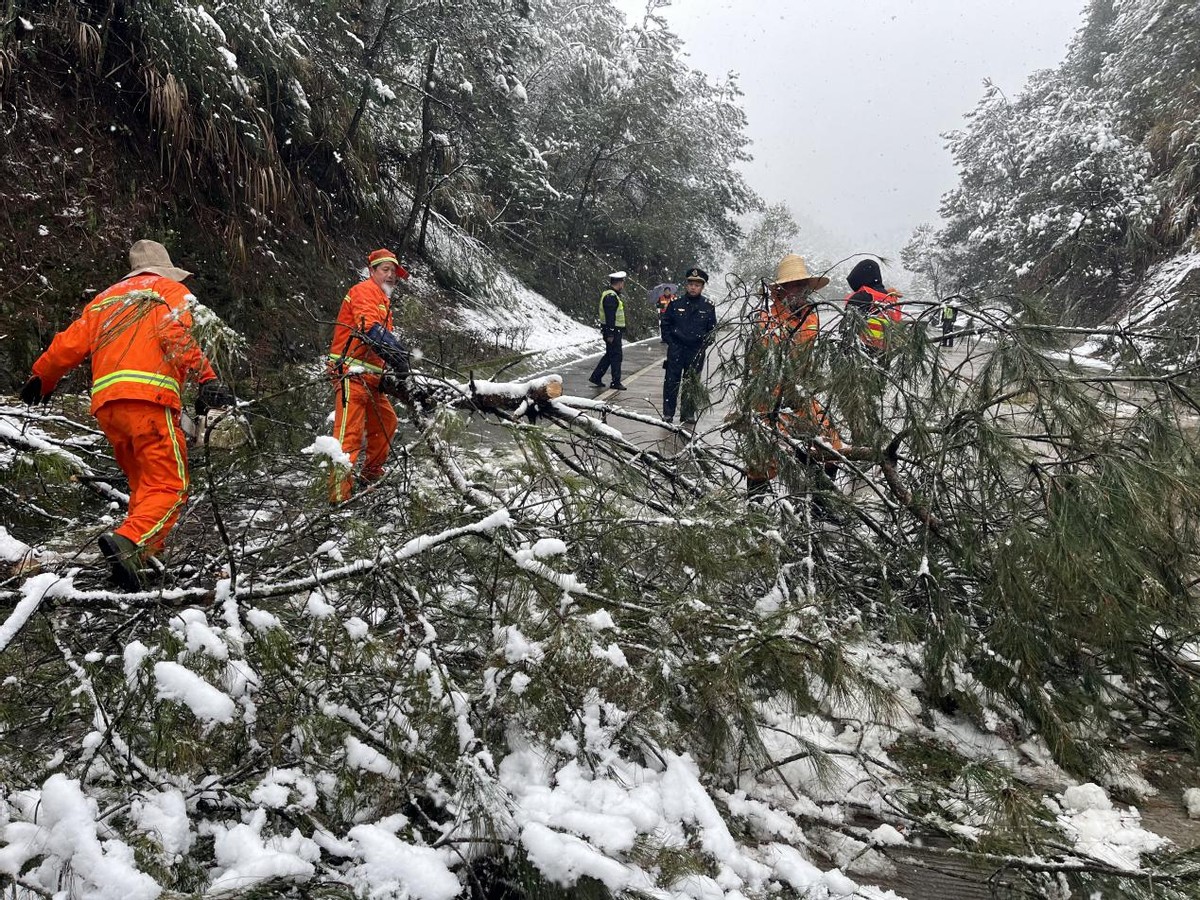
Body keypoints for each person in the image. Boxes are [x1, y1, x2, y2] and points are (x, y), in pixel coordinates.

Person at [19, 239, 233, 591]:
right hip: (149, 399)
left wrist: (43, 376)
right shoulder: (167, 290)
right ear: (165, 269)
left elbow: (68, 344)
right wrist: (206, 378)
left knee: (144, 484)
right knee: (170, 484)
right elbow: (174, 334)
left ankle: (138, 560)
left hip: (108, 406)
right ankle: (131, 542)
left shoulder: (105, 298)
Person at [744, 254, 842, 500]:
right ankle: (756, 508)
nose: (800, 290)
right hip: (770, 397)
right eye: (794, 285)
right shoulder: (767, 319)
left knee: (831, 445)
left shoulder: (811, 316)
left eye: (803, 285)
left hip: (801, 394)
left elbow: (810, 357)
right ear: (782, 290)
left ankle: (819, 505)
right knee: (762, 458)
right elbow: (762, 364)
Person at [327, 248, 412, 503]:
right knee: (347, 437)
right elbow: (369, 328)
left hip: (372, 379)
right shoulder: (364, 290)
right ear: (372, 271)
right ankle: (339, 499)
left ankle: (369, 476)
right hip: (351, 375)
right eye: (385, 270)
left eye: (393, 272)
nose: (390, 276)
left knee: (387, 422)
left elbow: (378, 335)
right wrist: (398, 354)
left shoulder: (383, 301)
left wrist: (396, 358)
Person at [660, 267, 717, 424]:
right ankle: (668, 413)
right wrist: (671, 342)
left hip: (695, 350)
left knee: (691, 383)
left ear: (702, 287)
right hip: (677, 349)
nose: (693, 287)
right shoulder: (675, 304)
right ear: (686, 285)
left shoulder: (708, 306)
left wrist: (703, 345)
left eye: (697, 285)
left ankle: (688, 413)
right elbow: (665, 324)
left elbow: (712, 329)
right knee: (672, 381)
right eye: (691, 284)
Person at [843, 259, 901, 360]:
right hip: (884, 356)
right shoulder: (892, 300)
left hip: (861, 355)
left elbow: (847, 330)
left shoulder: (862, 297)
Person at [589, 271, 627, 390]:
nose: (623, 285)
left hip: (612, 330)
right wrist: (610, 332)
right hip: (613, 331)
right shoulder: (611, 297)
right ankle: (615, 381)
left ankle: (596, 376)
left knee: (610, 355)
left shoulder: (610, 294)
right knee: (616, 356)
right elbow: (610, 316)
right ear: (619, 283)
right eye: (622, 282)